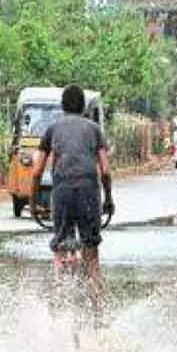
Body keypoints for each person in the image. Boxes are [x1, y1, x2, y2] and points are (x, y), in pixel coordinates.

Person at [29, 84, 114, 287]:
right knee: (91, 252)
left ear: (62, 106)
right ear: (84, 106)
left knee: (59, 246)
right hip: (88, 192)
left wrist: (33, 203)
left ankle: (58, 299)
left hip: (62, 192)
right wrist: (108, 199)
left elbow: (37, 171)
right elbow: (105, 170)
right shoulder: (95, 130)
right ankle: (97, 307)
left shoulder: (52, 129)